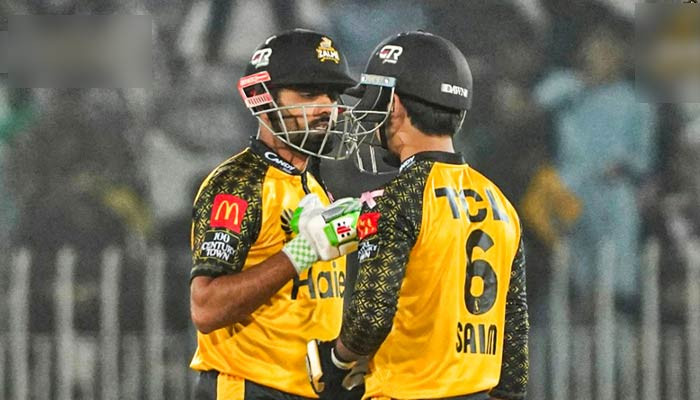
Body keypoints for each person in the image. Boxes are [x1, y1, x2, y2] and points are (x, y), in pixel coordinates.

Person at [307, 31, 529, 400]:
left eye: (373, 99)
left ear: (393, 104)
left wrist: (335, 361)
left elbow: (370, 317)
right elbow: (515, 335)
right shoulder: (500, 202)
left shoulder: (400, 197)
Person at [189, 29, 361, 399]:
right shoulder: (238, 183)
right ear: (264, 99)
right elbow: (206, 308)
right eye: (309, 93)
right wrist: (303, 251)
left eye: (332, 95)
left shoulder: (313, 183)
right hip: (251, 387)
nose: (327, 108)